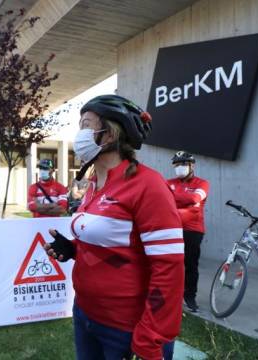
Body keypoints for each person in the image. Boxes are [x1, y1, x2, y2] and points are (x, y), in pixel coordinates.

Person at [44, 95, 184, 360]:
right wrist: (74, 249)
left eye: (86, 125)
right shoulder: (94, 183)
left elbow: (170, 269)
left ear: (108, 135)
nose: (79, 134)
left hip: (126, 328)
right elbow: (117, 243)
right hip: (85, 313)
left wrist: (151, 336)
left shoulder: (148, 186)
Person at [166, 151, 209, 313]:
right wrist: (185, 200)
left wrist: (173, 197)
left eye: (183, 164)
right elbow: (161, 199)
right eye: (177, 165)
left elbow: (194, 200)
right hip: (171, 228)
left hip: (193, 230)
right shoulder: (168, 182)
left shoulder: (202, 183)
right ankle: (171, 296)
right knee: (171, 264)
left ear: (192, 166)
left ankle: (190, 296)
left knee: (191, 265)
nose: (180, 167)